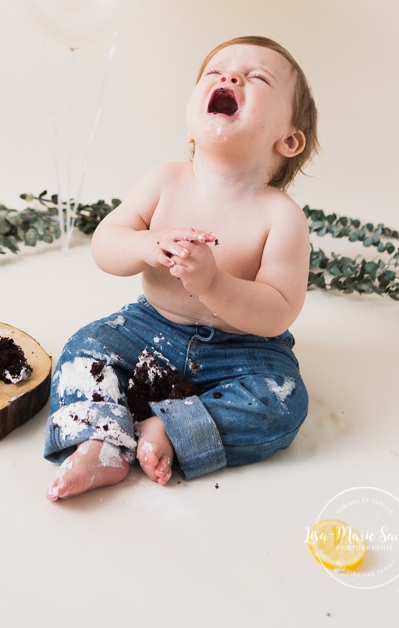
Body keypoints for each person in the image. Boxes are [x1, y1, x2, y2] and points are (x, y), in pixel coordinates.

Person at [44, 35, 319, 501]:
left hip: (246, 350)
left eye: (257, 78)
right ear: (190, 125)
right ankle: (100, 444)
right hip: (150, 327)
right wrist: (146, 243)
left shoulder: (282, 217)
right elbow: (106, 245)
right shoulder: (164, 181)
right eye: (215, 73)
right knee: (85, 349)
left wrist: (214, 283)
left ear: (289, 139)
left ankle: (168, 429)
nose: (230, 78)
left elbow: (278, 310)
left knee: (284, 401)